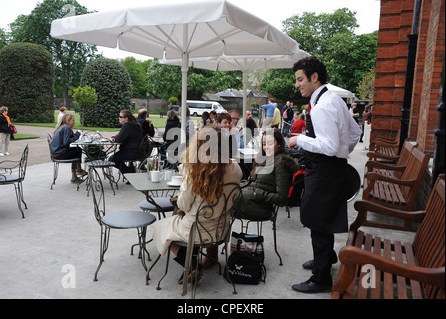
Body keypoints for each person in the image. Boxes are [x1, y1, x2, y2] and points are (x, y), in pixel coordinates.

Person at [288, 56, 361, 293]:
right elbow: (355, 132)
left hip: (325, 170)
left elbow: (328, 146)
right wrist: (343, 154)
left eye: (300, 79)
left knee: (318, 221)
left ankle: (320, 279)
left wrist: (300, 139)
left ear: (314, 77)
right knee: (320, 217)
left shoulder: (323, 106)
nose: (297, 84)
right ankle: (326, 259)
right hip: (332, 169)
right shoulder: (334, 99)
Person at [152, 126, 242, 283]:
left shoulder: (195, 171)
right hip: (221, 228)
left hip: (195, 230)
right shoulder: (236, 169)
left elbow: (184, 205)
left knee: (161, 227)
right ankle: (201, 258)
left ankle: (192, 264)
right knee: (189, 221)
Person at [202, 128, 298, 269]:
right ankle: (211, 248)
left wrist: (258, 194)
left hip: (259, 207)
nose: (266, 147)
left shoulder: (281, 163)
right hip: (249, 199)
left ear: (279, 144)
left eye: (270, 143)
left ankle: (210, 250)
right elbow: (254, 183)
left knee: (216, 204)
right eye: (264, 144)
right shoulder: (265, 159)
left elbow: (282, 198)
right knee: (216, 199)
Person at [50, 114, 87, 182]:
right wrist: (77, 134)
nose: (74, 122)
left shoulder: (62, 127)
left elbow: (66, 140)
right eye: (73, 120)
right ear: (68, 121)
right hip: (60, 154)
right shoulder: (66, 128)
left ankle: (77, 172)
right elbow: (66, 142)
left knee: (76, 150)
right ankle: (78, 171)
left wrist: (75, 135)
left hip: (55, 154)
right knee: (77, 150)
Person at [109, 110, 143, 175]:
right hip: (138, 152)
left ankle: (129, 172)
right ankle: (129, 172)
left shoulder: (127, 126)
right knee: (115, 158)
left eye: (120, 117)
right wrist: (114, 137)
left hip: (131, 153)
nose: (119, 118)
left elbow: (119, 139)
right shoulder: (134, 125)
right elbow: (120, 136)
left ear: (126, 118)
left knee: (111, 159)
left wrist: (114, 138)